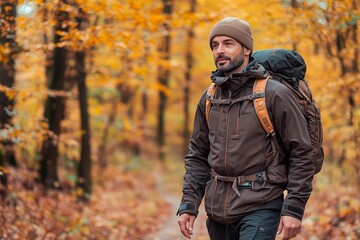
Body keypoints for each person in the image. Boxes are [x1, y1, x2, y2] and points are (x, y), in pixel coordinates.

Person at [177, 17, 315, 240]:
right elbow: (197, 155)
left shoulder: (274, 93)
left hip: (261, 206)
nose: (220, 50)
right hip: (217, 212)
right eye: (215, 45)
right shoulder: (209, 97)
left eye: (228, 43)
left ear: (247, 48)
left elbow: (301, 152)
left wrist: (294, 208)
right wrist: (188, 204)